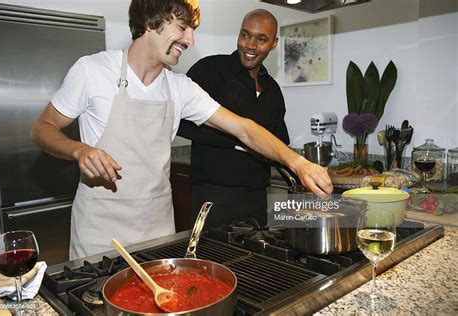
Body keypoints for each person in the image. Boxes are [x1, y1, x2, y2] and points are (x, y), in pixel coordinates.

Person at [31, 0, 332, 260]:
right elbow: (43, 128)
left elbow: (245, 129)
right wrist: (78, 149)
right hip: (100, 235)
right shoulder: (93, 71)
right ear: (151, 22)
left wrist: (298, 162)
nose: (190, 39)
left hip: (158, 233)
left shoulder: (180, 88)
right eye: (183, 27)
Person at [177, 9, 289, 227]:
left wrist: (266, 154)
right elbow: (179, 122)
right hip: (213, 197)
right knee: (208, 261)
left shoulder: (273, 90)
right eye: (245, 35)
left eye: (261, 39)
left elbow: (280, 141)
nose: (250, 44)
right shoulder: (209, 70)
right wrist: (240, 140)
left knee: (254, 261)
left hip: (257, 199)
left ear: (274, 44)